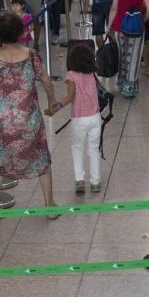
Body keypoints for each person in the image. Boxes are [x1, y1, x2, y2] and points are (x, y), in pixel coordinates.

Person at [0, 12, 59, 216]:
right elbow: (46, 81)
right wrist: (52, 102)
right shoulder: (31, 55)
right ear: (20, 32)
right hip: (29, 120)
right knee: (41, 160)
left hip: (2, 123)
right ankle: (49, 206)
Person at [45, 45, 102, 194]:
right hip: (95, 117)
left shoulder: (71, 75)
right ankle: (95, 182)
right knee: (94, 149)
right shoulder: (92, 74)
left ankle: (80, 180)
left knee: (77, 148)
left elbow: (71, 96)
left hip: (79, 119)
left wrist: (57, 107)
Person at [108, 0, 149, 98]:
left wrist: (108, 26)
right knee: (134, 56)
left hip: (119, 27)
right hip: (137, 29)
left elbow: (114, 9)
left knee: (121, 55)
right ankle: (130, 88)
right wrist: (142, 20)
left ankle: (121, 83)